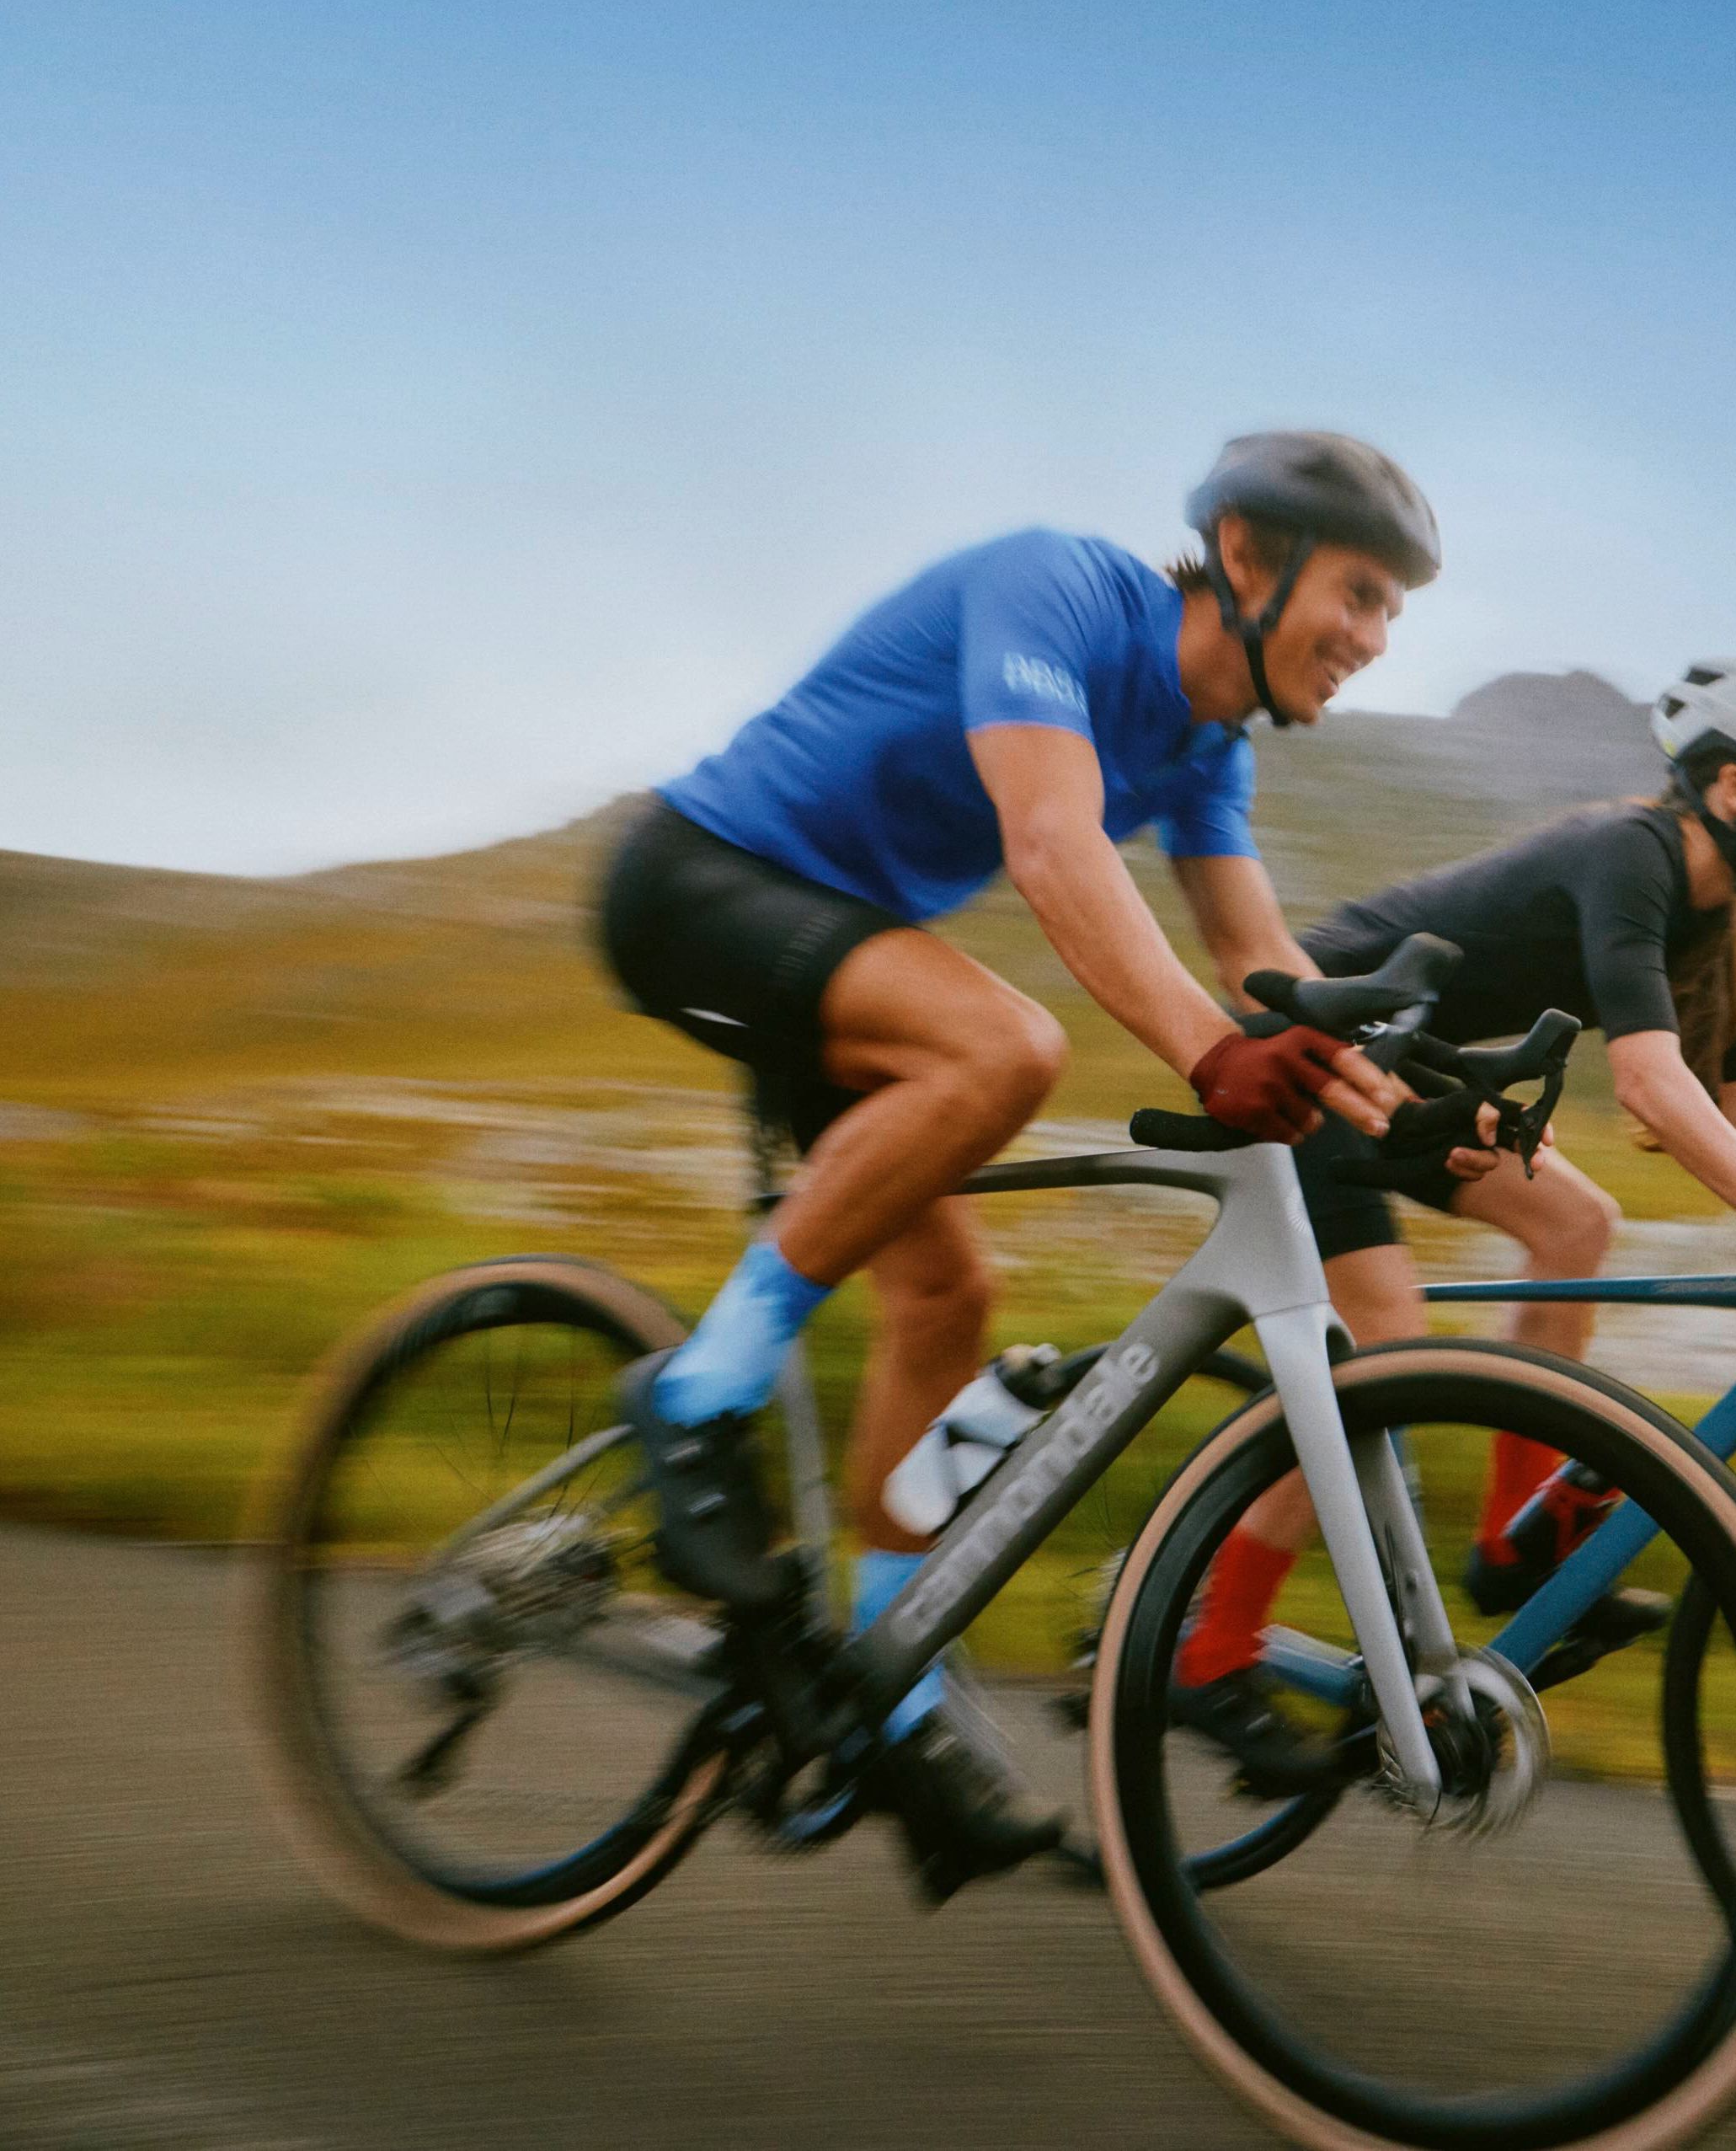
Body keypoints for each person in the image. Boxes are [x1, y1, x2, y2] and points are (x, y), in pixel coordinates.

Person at [597, 431, 1445, 1898]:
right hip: (699, 886)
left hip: (831, 967)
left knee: (946, 1305)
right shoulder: (1055, 591)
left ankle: (888, 1699)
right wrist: (1205, 1057)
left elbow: (1257, 960)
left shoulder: (1205, 746)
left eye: (1391, 615)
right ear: (1244, 556)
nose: (1369, 640)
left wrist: (1412, 1110)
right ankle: (694, 1398)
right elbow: (1052, 845)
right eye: (1357, 595)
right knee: (1002, 1049)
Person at [1174, 658, 1736, 1790]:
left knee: (1576, 1223)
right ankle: (1209, 1647)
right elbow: (1648, 1085)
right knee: (1381, 1347)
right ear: (1726, 788)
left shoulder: (1714, 921)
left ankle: (1507, 1541)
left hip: (1412, 1076)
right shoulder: (1629, 855)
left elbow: (1720, 1096)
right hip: (1312, 1045)